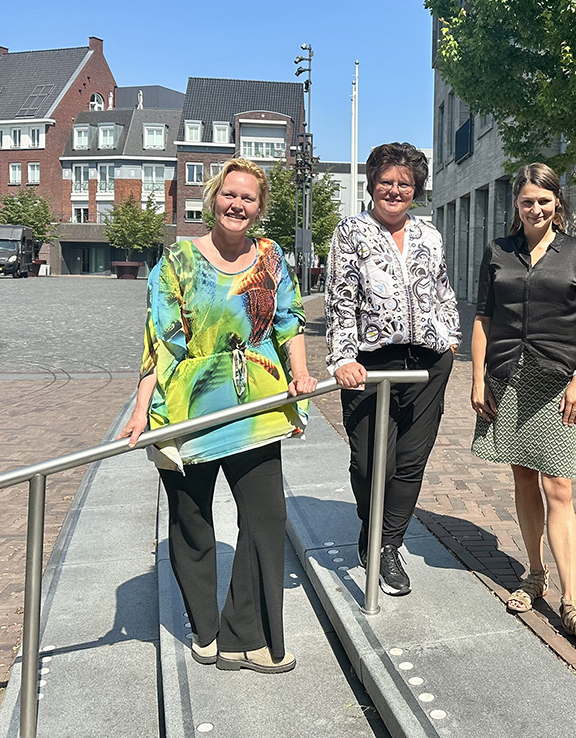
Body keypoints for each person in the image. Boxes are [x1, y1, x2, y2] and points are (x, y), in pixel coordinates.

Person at [118, 158, 317, 673]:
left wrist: (299, 376)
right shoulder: (177, 262)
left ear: (260, 208)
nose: (237, 205)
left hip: (256, 406)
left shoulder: (272, 257)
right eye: (230, 194)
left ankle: (247, 635)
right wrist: (142, 410)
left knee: (267, 518)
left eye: (248, 198)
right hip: (188, 409)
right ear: (213, 199)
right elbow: (159, 343)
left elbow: (290, 323)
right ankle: (206, 628)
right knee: (191, 523)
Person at [470, 162, 576, 647]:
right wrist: (477, 378)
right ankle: (533, 573)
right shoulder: (497, 252)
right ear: (517, 205)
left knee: (560, 486)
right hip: (508, 375)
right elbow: (483, 318)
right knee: (523, 475)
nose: (536, 209)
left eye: (544, 201)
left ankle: (572, 601)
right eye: (527, 201)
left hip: (557, 381)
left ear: (557, 204)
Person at [325, 142, 459, 597]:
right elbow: (340, 299)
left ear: (416, 189)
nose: (395, 190)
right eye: (386, 181)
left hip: (427, 360)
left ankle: (387, 546)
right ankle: (372, 526)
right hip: (370, 363)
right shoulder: (351, 232)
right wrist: (343, 356)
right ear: (371, 184)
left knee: (410, 460)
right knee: (368, 462)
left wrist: (451, 333)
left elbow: (441, 288)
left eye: (404, 183)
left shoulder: (430, 235)